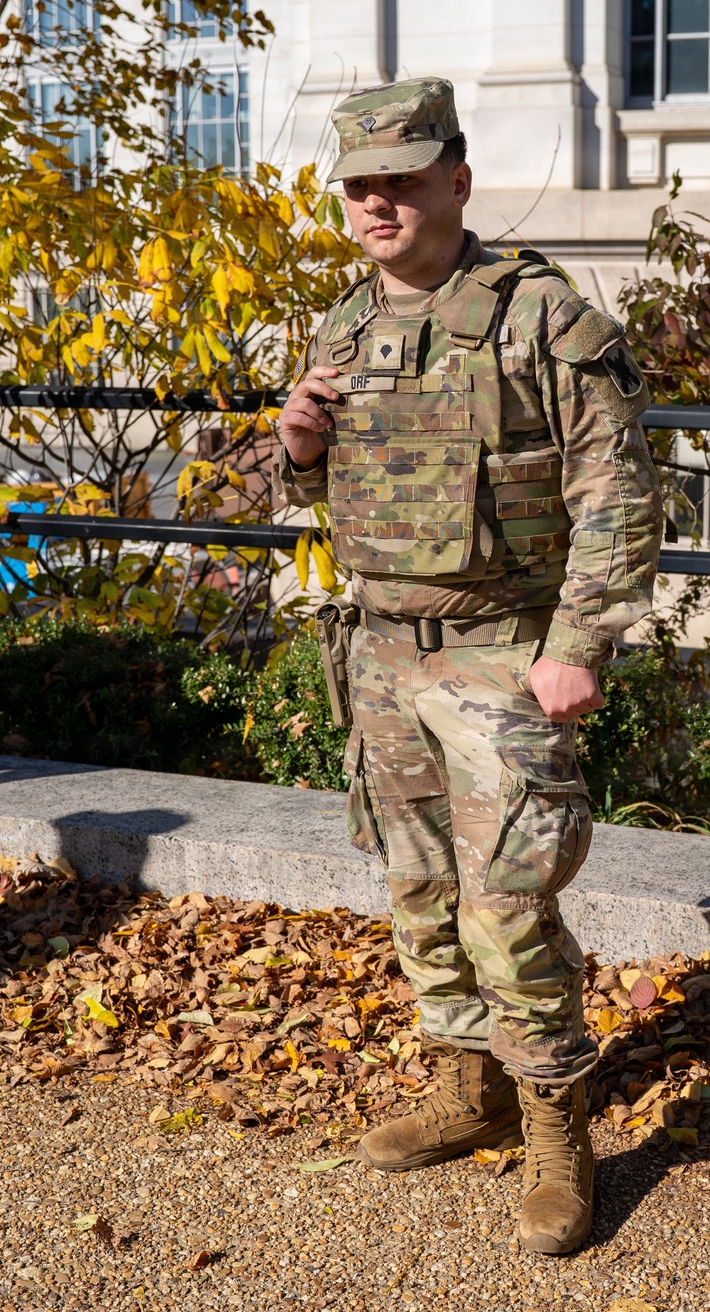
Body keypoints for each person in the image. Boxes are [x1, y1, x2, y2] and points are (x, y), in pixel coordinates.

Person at [273, 76, 663, 1256]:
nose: (377, 201)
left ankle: (556, 1124)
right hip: (381, 651)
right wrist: (294, 445)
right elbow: (319, 488)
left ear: (456, 181)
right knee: (419, 894)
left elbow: (618, 493)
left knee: (508, 903)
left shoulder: (541, 316)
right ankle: (467, 1086)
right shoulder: (344, 322)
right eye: (359, 184)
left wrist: (578, 645)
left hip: (502, 657)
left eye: (400, 178)